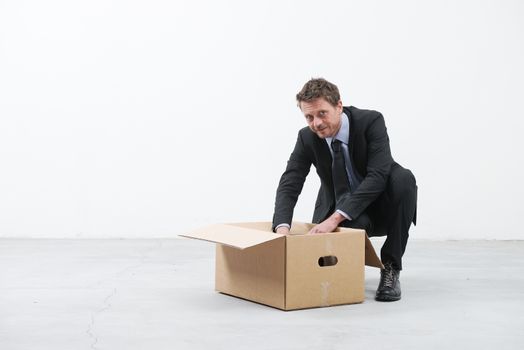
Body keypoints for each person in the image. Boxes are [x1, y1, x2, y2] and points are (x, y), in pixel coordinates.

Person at [272, 78, 417, 302]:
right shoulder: (306, 137)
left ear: (339, 105)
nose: (316, 123)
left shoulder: (371, 121)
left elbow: (378, 176)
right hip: (347, 210)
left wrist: (334, 219)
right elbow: (290, 181)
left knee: (403, 179)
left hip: (383, 206)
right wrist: (282, 228)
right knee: (327, 272)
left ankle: (390, 268)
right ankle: (342, 271)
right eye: (309, 117)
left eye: (322, 113)